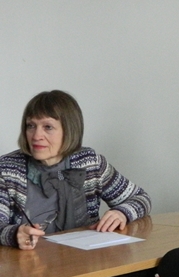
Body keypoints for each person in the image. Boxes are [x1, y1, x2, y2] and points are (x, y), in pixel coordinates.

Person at [0, 90, 152, 249]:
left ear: (69, 130)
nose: (36, 136)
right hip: (29, 261)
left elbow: (140, 198)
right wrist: (14, 234)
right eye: (31, 126)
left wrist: (122, 213)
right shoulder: (7, 169)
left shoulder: (90, 162)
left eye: (48, 127)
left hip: (84, 259)